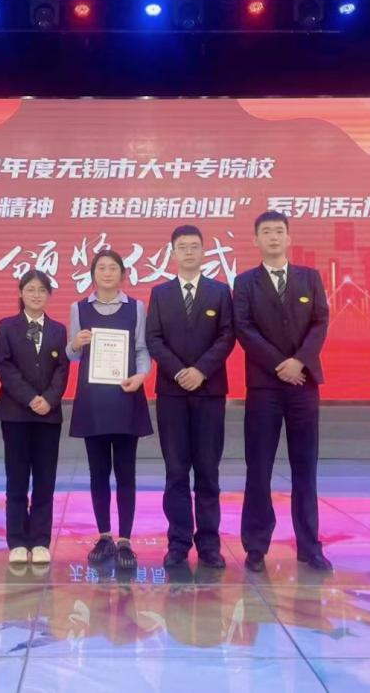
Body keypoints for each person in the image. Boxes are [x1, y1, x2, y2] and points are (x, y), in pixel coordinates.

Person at [233, 211, 332, 574]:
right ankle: (256, 547)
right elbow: (244, 329)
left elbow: (320, 321)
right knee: (259, 467)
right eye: (266, 232)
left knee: (305, 467)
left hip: (303, 385)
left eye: (279, 231)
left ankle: (309, 547)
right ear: (256, 240)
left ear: (289, 238)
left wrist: (299, 362)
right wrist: (280, 364)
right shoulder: (245, 282)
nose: (273, 237)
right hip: (264, 387)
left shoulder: (310, 277)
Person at [145, 225, 235, 569]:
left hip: (210, 392)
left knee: (208, 471)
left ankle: (209, 545)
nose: (188, 252)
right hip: (172, 393)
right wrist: (180, 371)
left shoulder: (219, 292)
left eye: (194, 246)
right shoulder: (160, 293)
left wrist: (200, 371)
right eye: (182, 247)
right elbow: (153, 338)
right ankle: (179, 543)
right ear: (173, 253)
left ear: (203, 251)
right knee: (176, 471)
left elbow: (227, 336)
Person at [67, 251, 153, 571]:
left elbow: (142, 349)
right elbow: (72, 355)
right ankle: (104, 536)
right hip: (93, 401)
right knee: (98, 472)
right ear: (92, 274)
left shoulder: (136, 307)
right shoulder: (78, 308)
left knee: (126, 472)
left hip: (126, 397)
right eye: (101, 268)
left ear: (123, 274)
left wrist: (141, 376)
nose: (106, 273)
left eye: (113, 268)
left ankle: (125, 540)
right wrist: (75, 343)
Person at [0, 270, 69, 566]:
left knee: (44, 480)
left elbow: (62, 369)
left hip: (48, 415)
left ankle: (39, 540)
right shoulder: (7, 327)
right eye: (30, 289)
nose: (36, 295)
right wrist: (29, 398)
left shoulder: (58, 330)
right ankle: (16, 540)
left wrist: (48, 399)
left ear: (49, 295)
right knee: (16, 478)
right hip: (15, 414)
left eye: (42, 290)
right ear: (21, 293)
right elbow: (4, 366)